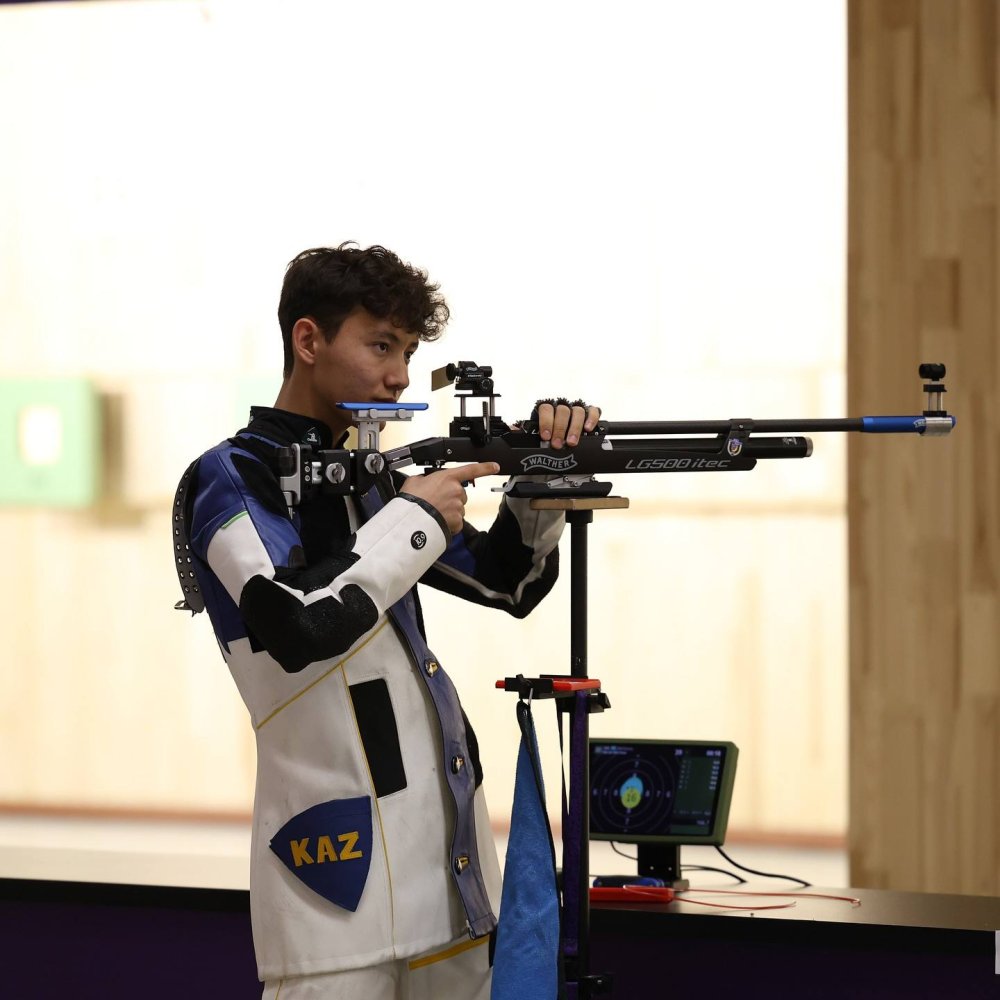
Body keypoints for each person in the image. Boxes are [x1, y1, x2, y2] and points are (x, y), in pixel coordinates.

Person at [174, 242, 600, 999]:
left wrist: (542, 477)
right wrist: (414, 518)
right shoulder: (231, 477)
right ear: (309, 340)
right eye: (381, 345)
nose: (400, 375)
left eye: (406, 351)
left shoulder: (371, 484)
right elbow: (298, 625)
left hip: (448, 877)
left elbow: (509, 582)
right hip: (333, 890)